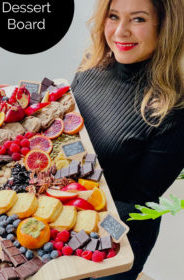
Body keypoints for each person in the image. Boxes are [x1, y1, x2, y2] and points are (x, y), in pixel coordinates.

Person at [71, 0, 184, 279]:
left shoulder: (175, 109)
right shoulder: (91, 65)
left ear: (165, 27)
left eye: (138, 19)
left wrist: (67, 218)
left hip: (118, 238)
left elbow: (137, 202)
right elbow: (68, 134)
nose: (120, 31)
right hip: (67, 211)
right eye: (113, 16)